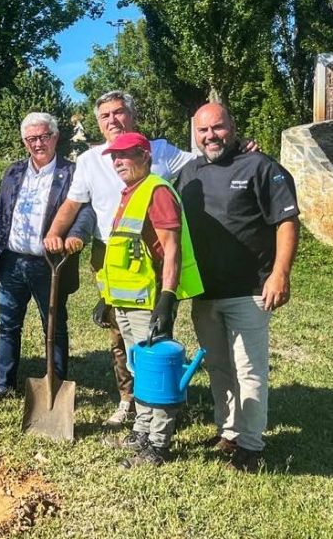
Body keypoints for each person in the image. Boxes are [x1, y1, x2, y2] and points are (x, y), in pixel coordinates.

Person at [44, 91, 195, 427]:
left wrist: (243, 149)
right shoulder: (90, 159)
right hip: (109, 257)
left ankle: (162, 404)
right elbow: (72, 203)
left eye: (119, 112)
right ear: (98, 123)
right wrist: (54, 233)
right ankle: (129, 398)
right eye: (105, 116)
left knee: (154, 334)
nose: (112, 120)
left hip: (151, 258)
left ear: (133, 115)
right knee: (118, 335)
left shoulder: (160, 151)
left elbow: (206, 156)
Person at [176, 103, 299, 472]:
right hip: (205, 292)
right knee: (218, 367)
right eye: (202, 131)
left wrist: (280, 273)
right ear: (194, 134)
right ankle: (228, 432)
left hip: (250, 290)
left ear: (233, 127)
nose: (210, 136)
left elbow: (287, 221)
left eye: (218, 128)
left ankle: (251, 445)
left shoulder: (260, 166)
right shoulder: (188, 174)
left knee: (249, 370)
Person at [95, 132, 204, 467]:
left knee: (156, 372)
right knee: (138, 368)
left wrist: (167, 298)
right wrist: (106, 298)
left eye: (125, 155)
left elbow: (172, 248)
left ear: (144, 155)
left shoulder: (156, 190)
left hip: (150, 301)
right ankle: (142, 430)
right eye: (114, 157)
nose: (118, 162)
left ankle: (157, 444)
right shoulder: (131, 193)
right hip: (127, 302)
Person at [0, 112, 95, 402]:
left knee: (54, 326)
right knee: (7, 325)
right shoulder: (14, 172)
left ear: (55, 137)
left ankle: (55, 387)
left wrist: (77, 236)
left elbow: (85, 211)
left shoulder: (71, 173)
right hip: (11, 261)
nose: (38, 143)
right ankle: (3, 386)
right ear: (24, 142)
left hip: (49, 264)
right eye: (31, 138)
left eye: (44, 136)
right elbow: (0, 214)